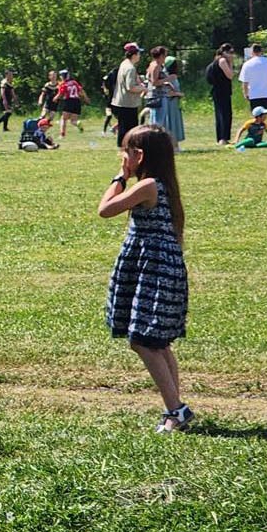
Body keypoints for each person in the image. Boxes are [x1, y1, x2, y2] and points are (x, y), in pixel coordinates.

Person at [99, 124, 190, 434]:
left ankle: (175, 411)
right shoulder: (162, 184)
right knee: (158, 343)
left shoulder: (147, 185)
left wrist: (120, 177)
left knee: (144, 340)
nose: (122, 156)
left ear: (139, 155)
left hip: (154, 269)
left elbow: (105, 209)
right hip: (154, 266)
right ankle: (175, 407)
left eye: (126, 151)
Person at [239, 44, 267, 135]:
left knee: (256, 113)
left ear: (252, 52)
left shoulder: (247, 64)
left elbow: (245, 81)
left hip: (254, 93)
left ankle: (257, 127)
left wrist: (245, 93)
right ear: (261, 51)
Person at [111, 43, 147, 147]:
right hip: (127, 103)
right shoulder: (130, 68)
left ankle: (124, 146)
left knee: (123, 126)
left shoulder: (124, 64)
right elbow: (130, 87)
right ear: (134, 54)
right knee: (129, 129)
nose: (140, 56)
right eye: (139, 53)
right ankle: (126, 147)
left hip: (121, 102)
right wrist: (145, 89)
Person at [206, 43, 235, 145]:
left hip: (219, 91)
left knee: (221, 114)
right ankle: (223, 138)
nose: (232, 55)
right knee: (225, 114)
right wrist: (230, 63)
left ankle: (221, 138)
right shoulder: (222, 61)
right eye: (230, 52)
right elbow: (230, 75)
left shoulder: (216, 60)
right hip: (222, 91)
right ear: (224, 52)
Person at [56, 69, 89, 137]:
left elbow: (60, 94)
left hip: (69, 101)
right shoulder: (74, 82)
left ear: (62, 76)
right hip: (77, 101)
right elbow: (81, 91)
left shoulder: (63, 84)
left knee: (63, 119)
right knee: (73, 120)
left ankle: (62, 134)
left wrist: (55, 98)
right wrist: (86, 98)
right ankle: (77, 123)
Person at [162, 56, 185, 152]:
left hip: (174, 103)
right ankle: (173, 146)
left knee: (174, 123)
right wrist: (179, 94)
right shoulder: (167, 76)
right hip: (170, 103)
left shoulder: (172, 76)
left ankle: (175, 145)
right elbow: (168, 92)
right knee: (171, 124)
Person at [144, 47, 169, 130]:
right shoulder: (156, 66)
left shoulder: (152, 64)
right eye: (165, 55)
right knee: (158, 122)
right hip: (159, 97)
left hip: (154, 96)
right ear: (161, 56)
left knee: (154, 120)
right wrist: (168, 79)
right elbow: (154, 82)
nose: (165, 57)